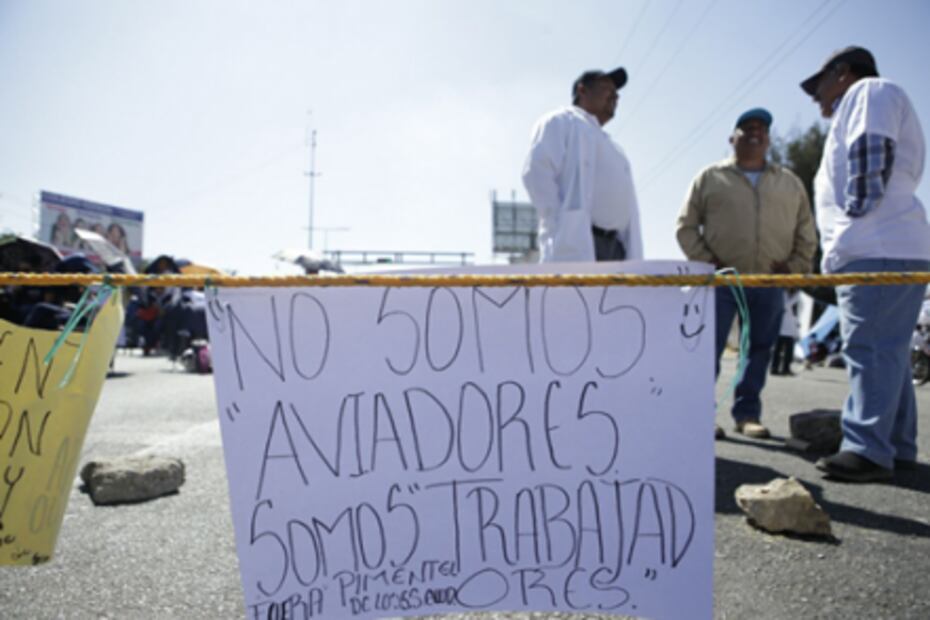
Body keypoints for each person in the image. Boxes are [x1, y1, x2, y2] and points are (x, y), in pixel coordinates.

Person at [800, 46, 930, 482]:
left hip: (875, 243)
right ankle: (896, 444)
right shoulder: (874, 97)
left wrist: (849, 227)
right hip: (890, 242)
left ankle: (867, 448)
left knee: (869, 347)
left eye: (818, 85)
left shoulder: (868, 91)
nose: (816, 97)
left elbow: (870, 154)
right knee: (888, 348)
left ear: (842, 74)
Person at [676, 108, 817, 439]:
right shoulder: (710, 178)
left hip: (768, 283)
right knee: (706, 349)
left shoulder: (789, 182)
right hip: (722, 282)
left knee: (759, 350)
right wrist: (705, 260)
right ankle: (700, 415)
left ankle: (747, 415)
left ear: (768, 139)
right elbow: (685, 227)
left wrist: (794, 267)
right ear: (732, 138)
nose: (755, 133)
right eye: (747, 128)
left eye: (762, 129)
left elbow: (806, 233)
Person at [522, 67, 643, 262]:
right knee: (579, 293)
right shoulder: (559, 121)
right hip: (578, 242)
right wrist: (561, 222)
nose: (614, 96)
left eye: (617, 93)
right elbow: (536, 173)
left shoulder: (614, 148)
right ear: (582, 90)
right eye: (607, 88)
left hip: (617, 249)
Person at [771, 288, 800, 376]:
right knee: (777, 350)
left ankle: (786, 368)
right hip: (781, 328)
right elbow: (786, 306)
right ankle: (774, 368)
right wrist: (796, 296)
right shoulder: (782, 294)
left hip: (791, 328)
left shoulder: (795, 295)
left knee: (789, 352)